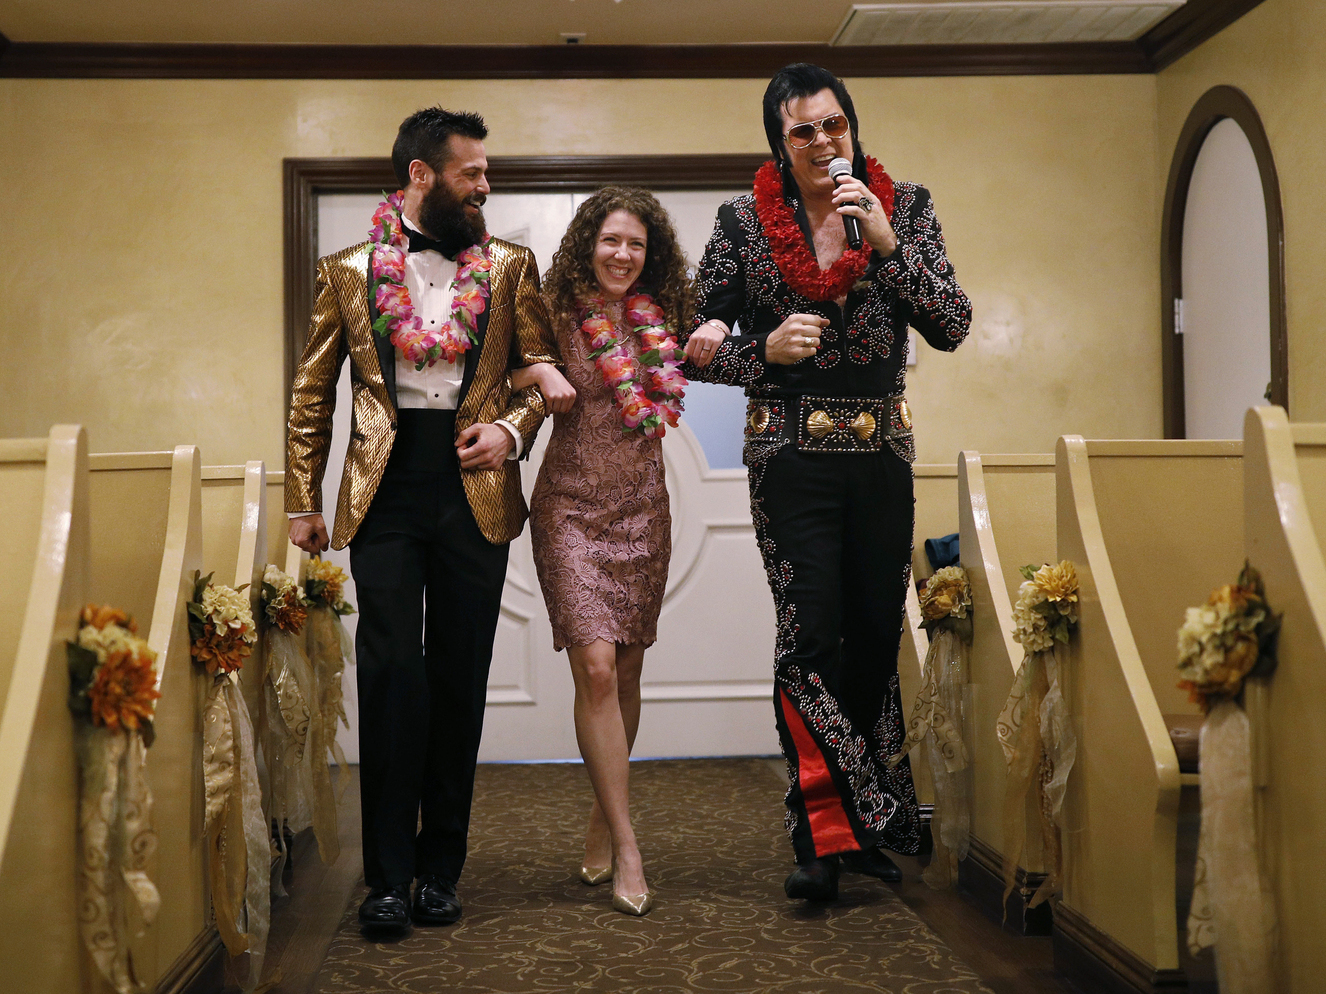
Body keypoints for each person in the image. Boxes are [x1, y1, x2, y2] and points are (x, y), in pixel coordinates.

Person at [682, 63, 972, 901]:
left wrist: (884, 245)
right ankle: (826, 830)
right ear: (780, 139)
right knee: (810, 641)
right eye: (802, 129)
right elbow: (683, 345)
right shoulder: (741, 223)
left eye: (833, 125)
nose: (821, 142)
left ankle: (860, 825)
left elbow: (951, 324)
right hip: (790, 458)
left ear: (853, 127)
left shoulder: (905, 207)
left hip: (881, 453)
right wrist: (757, 353)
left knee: (875, 638)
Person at [285, 107, 560, 933]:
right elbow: (312, 391)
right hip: (387, 489)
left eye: (485, 171)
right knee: (392, 671)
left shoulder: (512, 266)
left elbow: (537, 378)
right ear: (419, 175)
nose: (486, 184)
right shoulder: (346, 269)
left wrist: (512, 432)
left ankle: (442, 868)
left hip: (474, 481)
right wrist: (302, 497)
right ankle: (387, 881)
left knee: (460, 674)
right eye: (471, 172)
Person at [511, 188, 692, 916]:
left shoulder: (664, 316)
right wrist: (540, 371)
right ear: (589, 243)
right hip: (570, 509)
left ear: (651, 257)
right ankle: (628, 844)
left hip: (643, 506)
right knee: (593, 665)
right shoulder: (555, 311)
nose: (622, 254)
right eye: (611, 240)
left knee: (625, 666)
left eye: (636, 245)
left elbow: (712, 353)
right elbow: (500, 368)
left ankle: (601, 811)